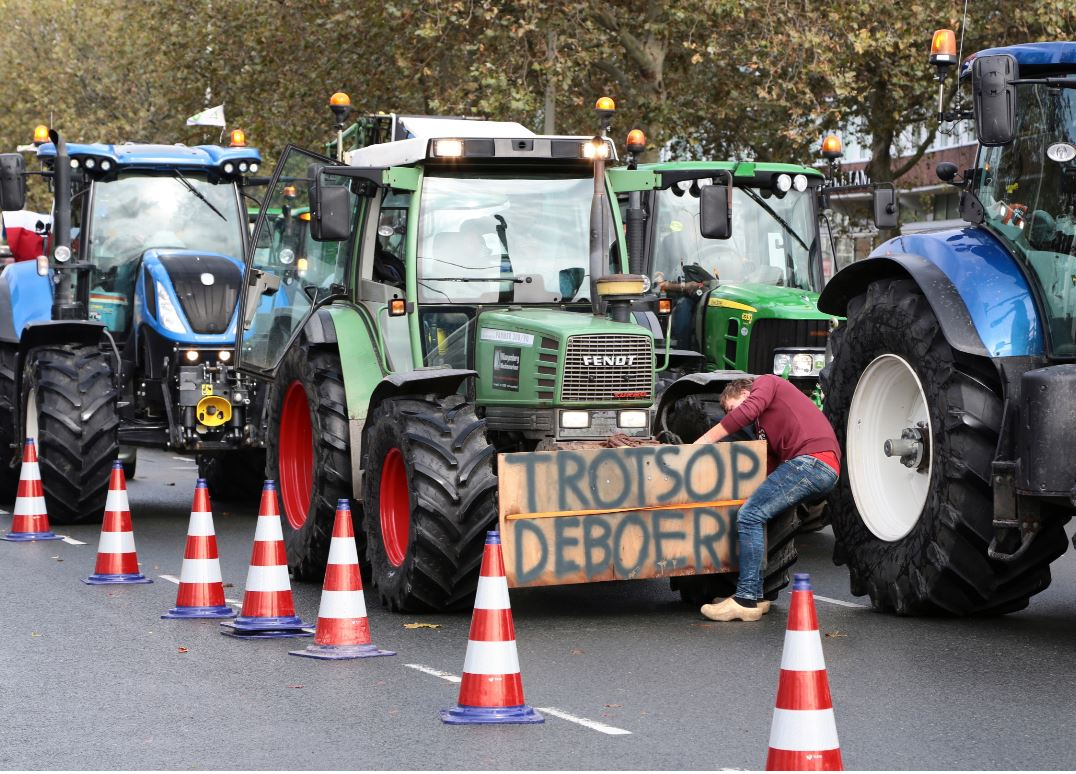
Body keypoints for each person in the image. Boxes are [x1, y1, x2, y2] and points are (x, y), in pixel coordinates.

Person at [692, 375, 840, 622]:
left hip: (811, 462)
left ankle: (746, 598)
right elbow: (769, 468)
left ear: (744, 392)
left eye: (731, 407)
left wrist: (705, 441)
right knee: (755, 513)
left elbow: (748, 410)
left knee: (750, 516)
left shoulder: (766, 382)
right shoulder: (764, 429)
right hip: (817, 466)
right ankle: (757, 597)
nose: (732, 416)